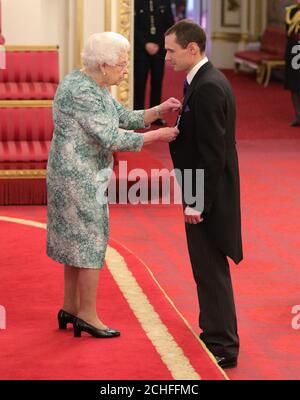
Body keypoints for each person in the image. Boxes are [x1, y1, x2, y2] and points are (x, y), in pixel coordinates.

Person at [46, 32, 181, 339]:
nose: (125, 69)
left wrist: (157, 111)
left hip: (77, 174)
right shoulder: (82, 92)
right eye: (121, 64)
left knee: (74, 241)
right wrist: (158, 136)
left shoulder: (93, 84)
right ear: (104, 65)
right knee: (90, 241)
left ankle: (71, 307)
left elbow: (123, 117)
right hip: (76, 178)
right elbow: (112, 137)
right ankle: (88, 316)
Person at [165, 20, 243, 369]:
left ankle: (224, 345)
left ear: (192, 48)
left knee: (211, 270)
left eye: (171, 50)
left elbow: (212, 154)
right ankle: (213, 332)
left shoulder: (209, 86)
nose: (167, 57)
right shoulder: (201, 80)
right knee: (205, 269)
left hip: (208, 195)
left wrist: (197, 201)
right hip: (203, 189)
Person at [134, 0, 174, 126]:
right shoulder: (136, 2)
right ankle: (138, 116)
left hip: (159, 50)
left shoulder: (165, 2)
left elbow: (170, 27)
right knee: (139, 83)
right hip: (141, 50)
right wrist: (145, 44)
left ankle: (155, 116)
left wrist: (159, 44)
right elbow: (132, 26)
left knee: (157, 83)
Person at [285, 1, 300, 127]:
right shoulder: (291, 12)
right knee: (294, 83)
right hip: (294, 49)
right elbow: (288, 32)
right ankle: (298, 116)